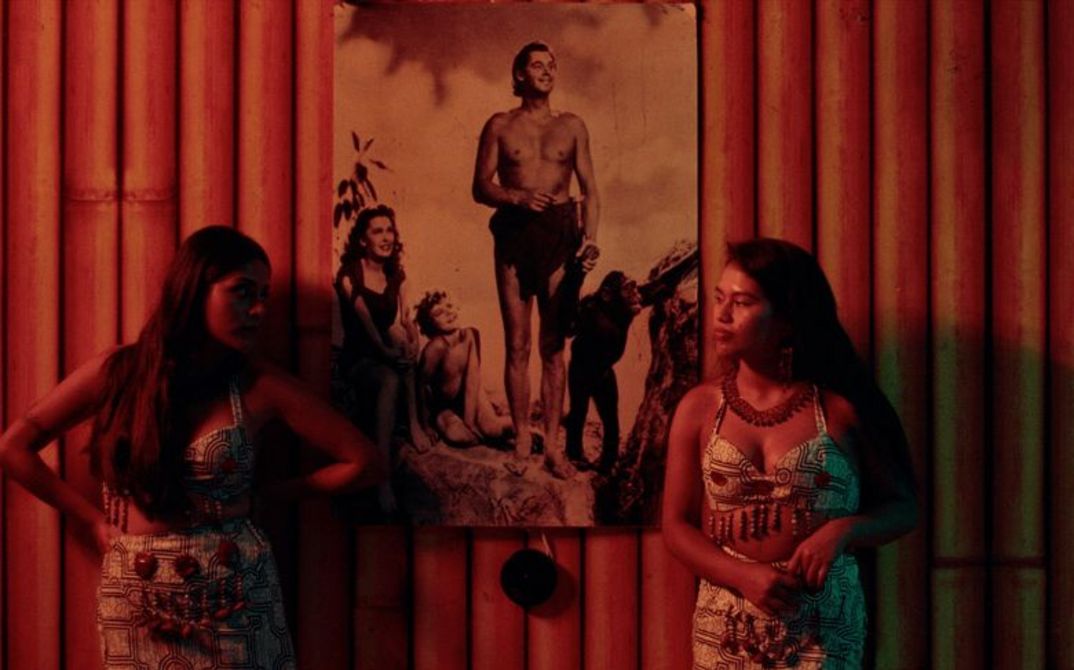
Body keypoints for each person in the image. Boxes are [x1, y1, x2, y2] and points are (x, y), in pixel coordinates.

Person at [0, 226, 386, 669]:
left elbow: (364, 463)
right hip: (136, 591)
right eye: (242, 292)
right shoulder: (119, 372)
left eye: (263, 294)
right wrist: (91, 520)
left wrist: (271, 495)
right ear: (193, 289)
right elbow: (15, 447)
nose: (258, 309)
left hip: (234, 587)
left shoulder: (257, 384)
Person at [662, 238, 917, 669]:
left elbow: (903, 508)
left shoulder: (840, 407)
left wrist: (844, 531)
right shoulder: (698, 408)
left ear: (786, 320)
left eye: (742, 303)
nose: (721, 316)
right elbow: (674, 525)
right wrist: (741, 575)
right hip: (725, 619)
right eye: (719, 298)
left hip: (823, 621)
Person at [472, 40, 600, 479]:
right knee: (518, 344)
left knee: (553, 347)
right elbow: (480, 186)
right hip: (513, 236)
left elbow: (591, 189)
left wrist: (592, 239)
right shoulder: (500, 125)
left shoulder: (573, 125)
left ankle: (553, 450)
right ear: (520, 75)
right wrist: (518, 196)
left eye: (552, 65)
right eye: (537, 65)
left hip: (561, 235)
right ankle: (523, 442)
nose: (547, 71)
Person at [334, 204, 432, 514]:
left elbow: (407, 317)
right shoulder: (350, 274)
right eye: (378, 231)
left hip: (388, 352)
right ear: (363, 240)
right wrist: (389, 352)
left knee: (403, 340)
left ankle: (416, 422)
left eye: (390, 230)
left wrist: (413, 341)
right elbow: (367, 327)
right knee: (390, 376)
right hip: (360, 358)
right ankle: (382, 476)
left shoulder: (396, 274)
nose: (386, 237)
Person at [415, 290, 513, 447]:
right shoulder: (436, 348)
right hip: (444, 405)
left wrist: (470, 420)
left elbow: (472, 377)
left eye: (449, 306)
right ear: (430, 323)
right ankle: (489, 437)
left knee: (492, 428)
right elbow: (420, 387)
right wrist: (425, 426)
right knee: (458, 436)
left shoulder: (470, 335)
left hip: (468, 395)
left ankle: (523, 430)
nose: (448, 313)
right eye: (439, 313)